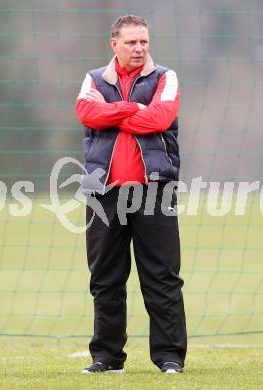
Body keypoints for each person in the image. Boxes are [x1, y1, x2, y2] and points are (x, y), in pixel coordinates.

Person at [76, 14, 187, 374]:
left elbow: (159, 118)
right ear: (115, 45)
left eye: (144, 42)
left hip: (153, 191)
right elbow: (86, 112)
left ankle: (170, 357)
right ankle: (107, 358)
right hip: (103, 194)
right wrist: (131, 109)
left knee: (161, 276)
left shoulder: (165, 78)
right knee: (105, 278)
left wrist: (111, 115)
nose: (139, 48)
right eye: (131, 43)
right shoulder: (94, 79)